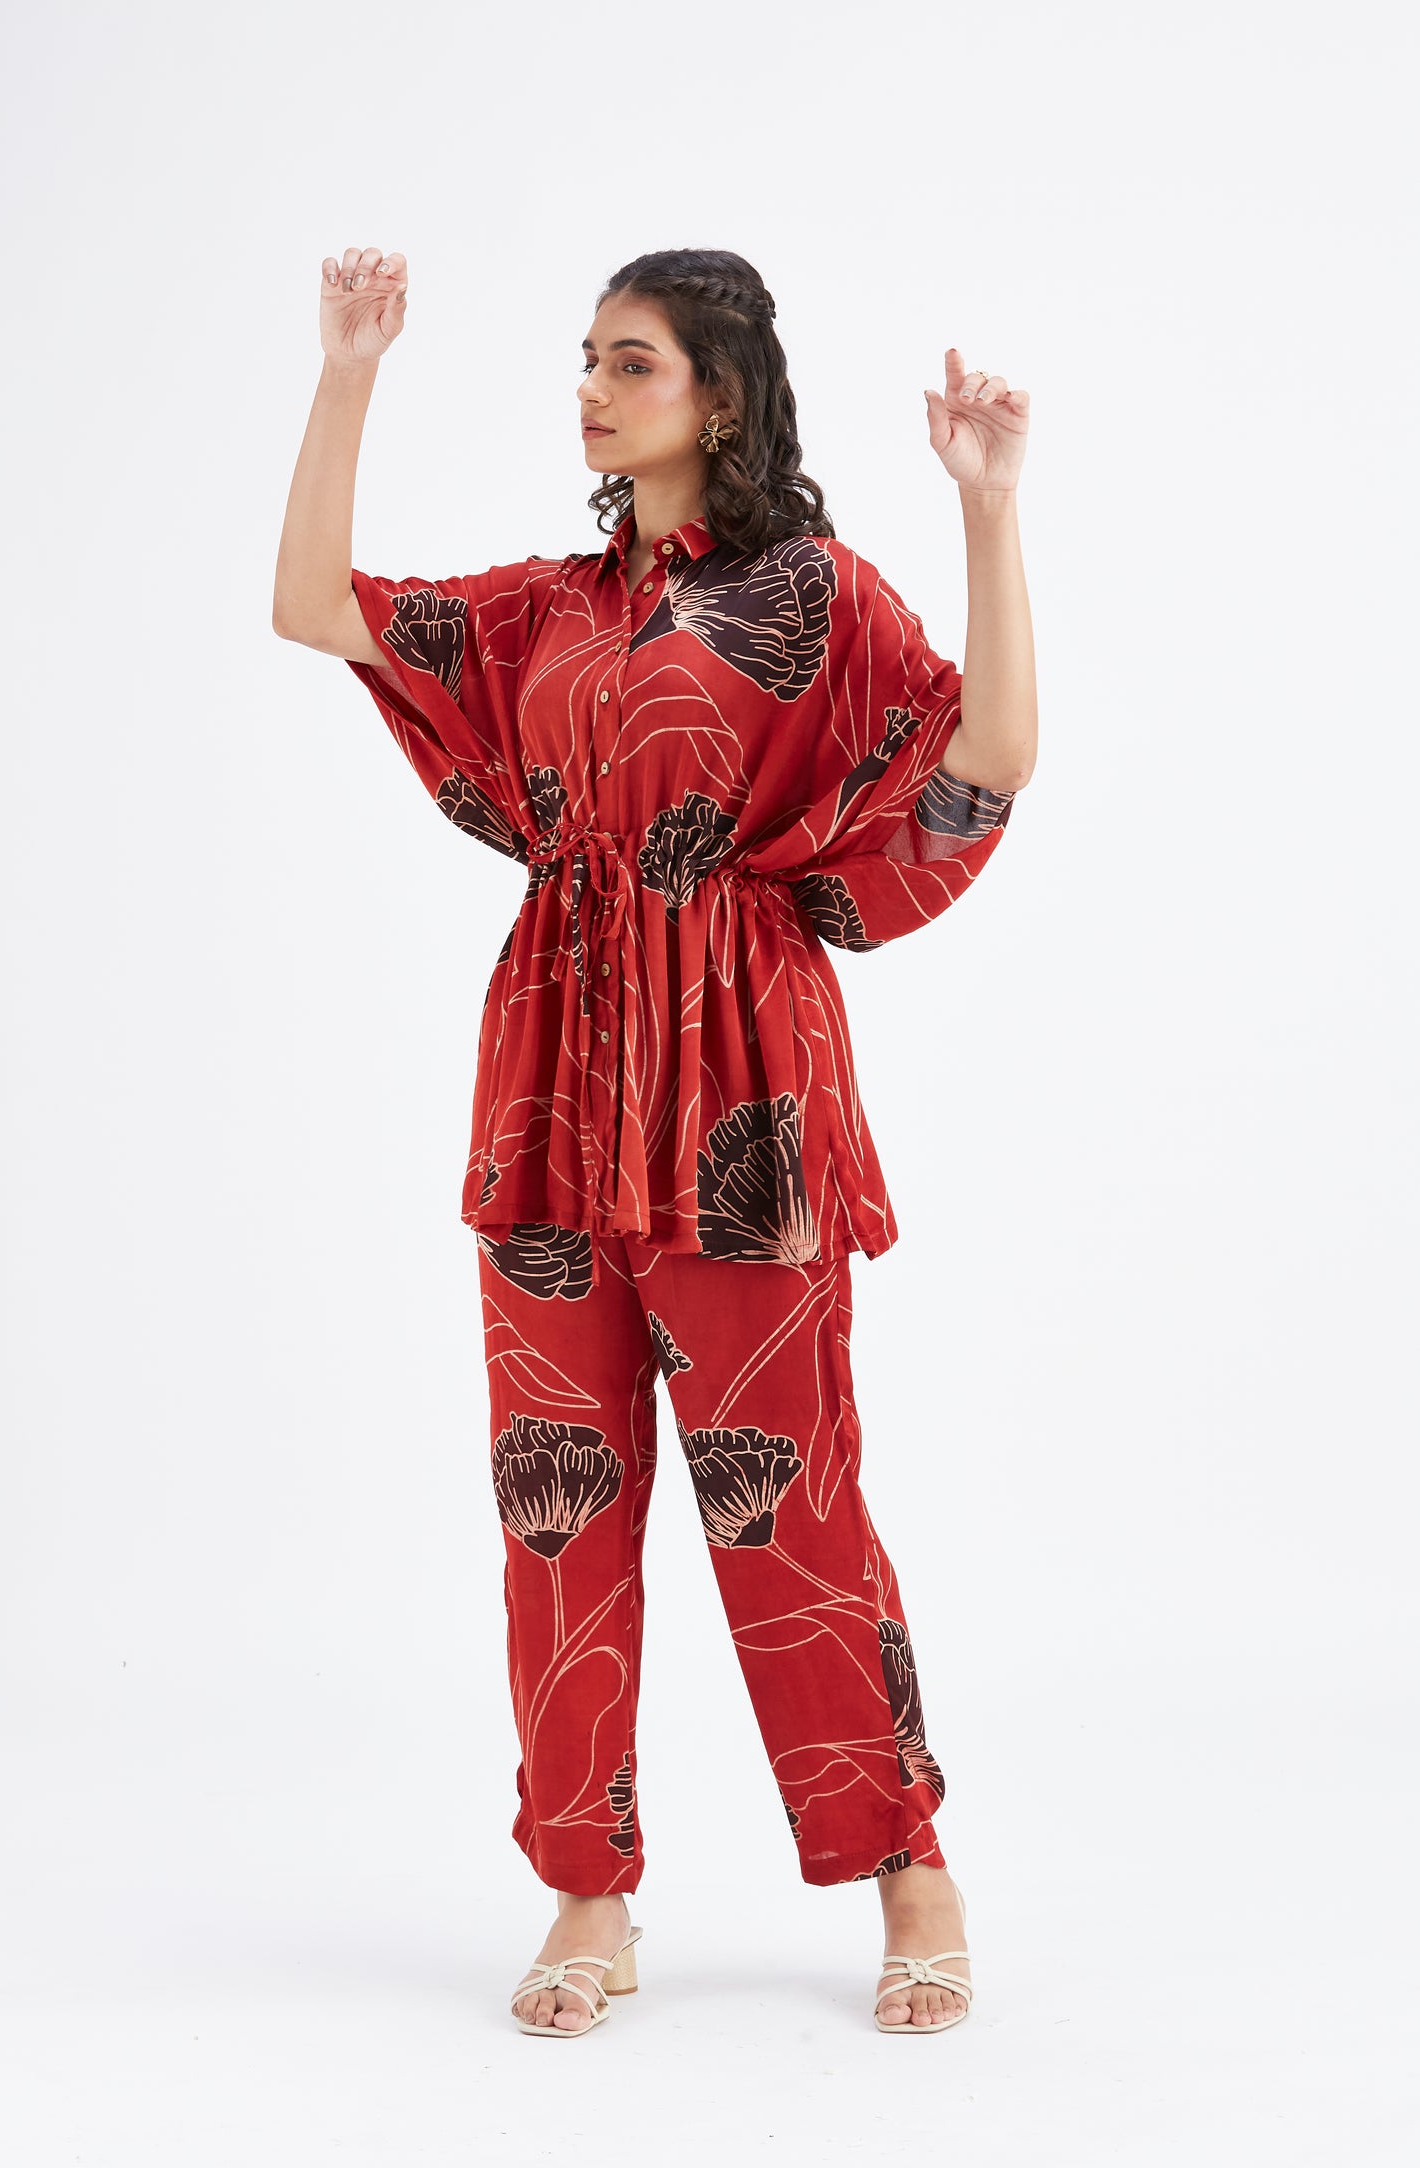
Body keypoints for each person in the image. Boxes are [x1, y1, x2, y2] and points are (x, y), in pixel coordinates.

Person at [273, 244, 1036, 2038]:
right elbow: (315, 605)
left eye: (632, 362)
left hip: (742, 1090)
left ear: (721, 395)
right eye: (587, 360)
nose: (593, 391)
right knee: (556, 1511)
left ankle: (906, 1865)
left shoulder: (814, 594)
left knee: (789, 1504)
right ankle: (584, 1891)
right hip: (553, 1085)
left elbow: (985, 761)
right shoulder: (545, 609)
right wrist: (347, 371)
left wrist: (988, 510)